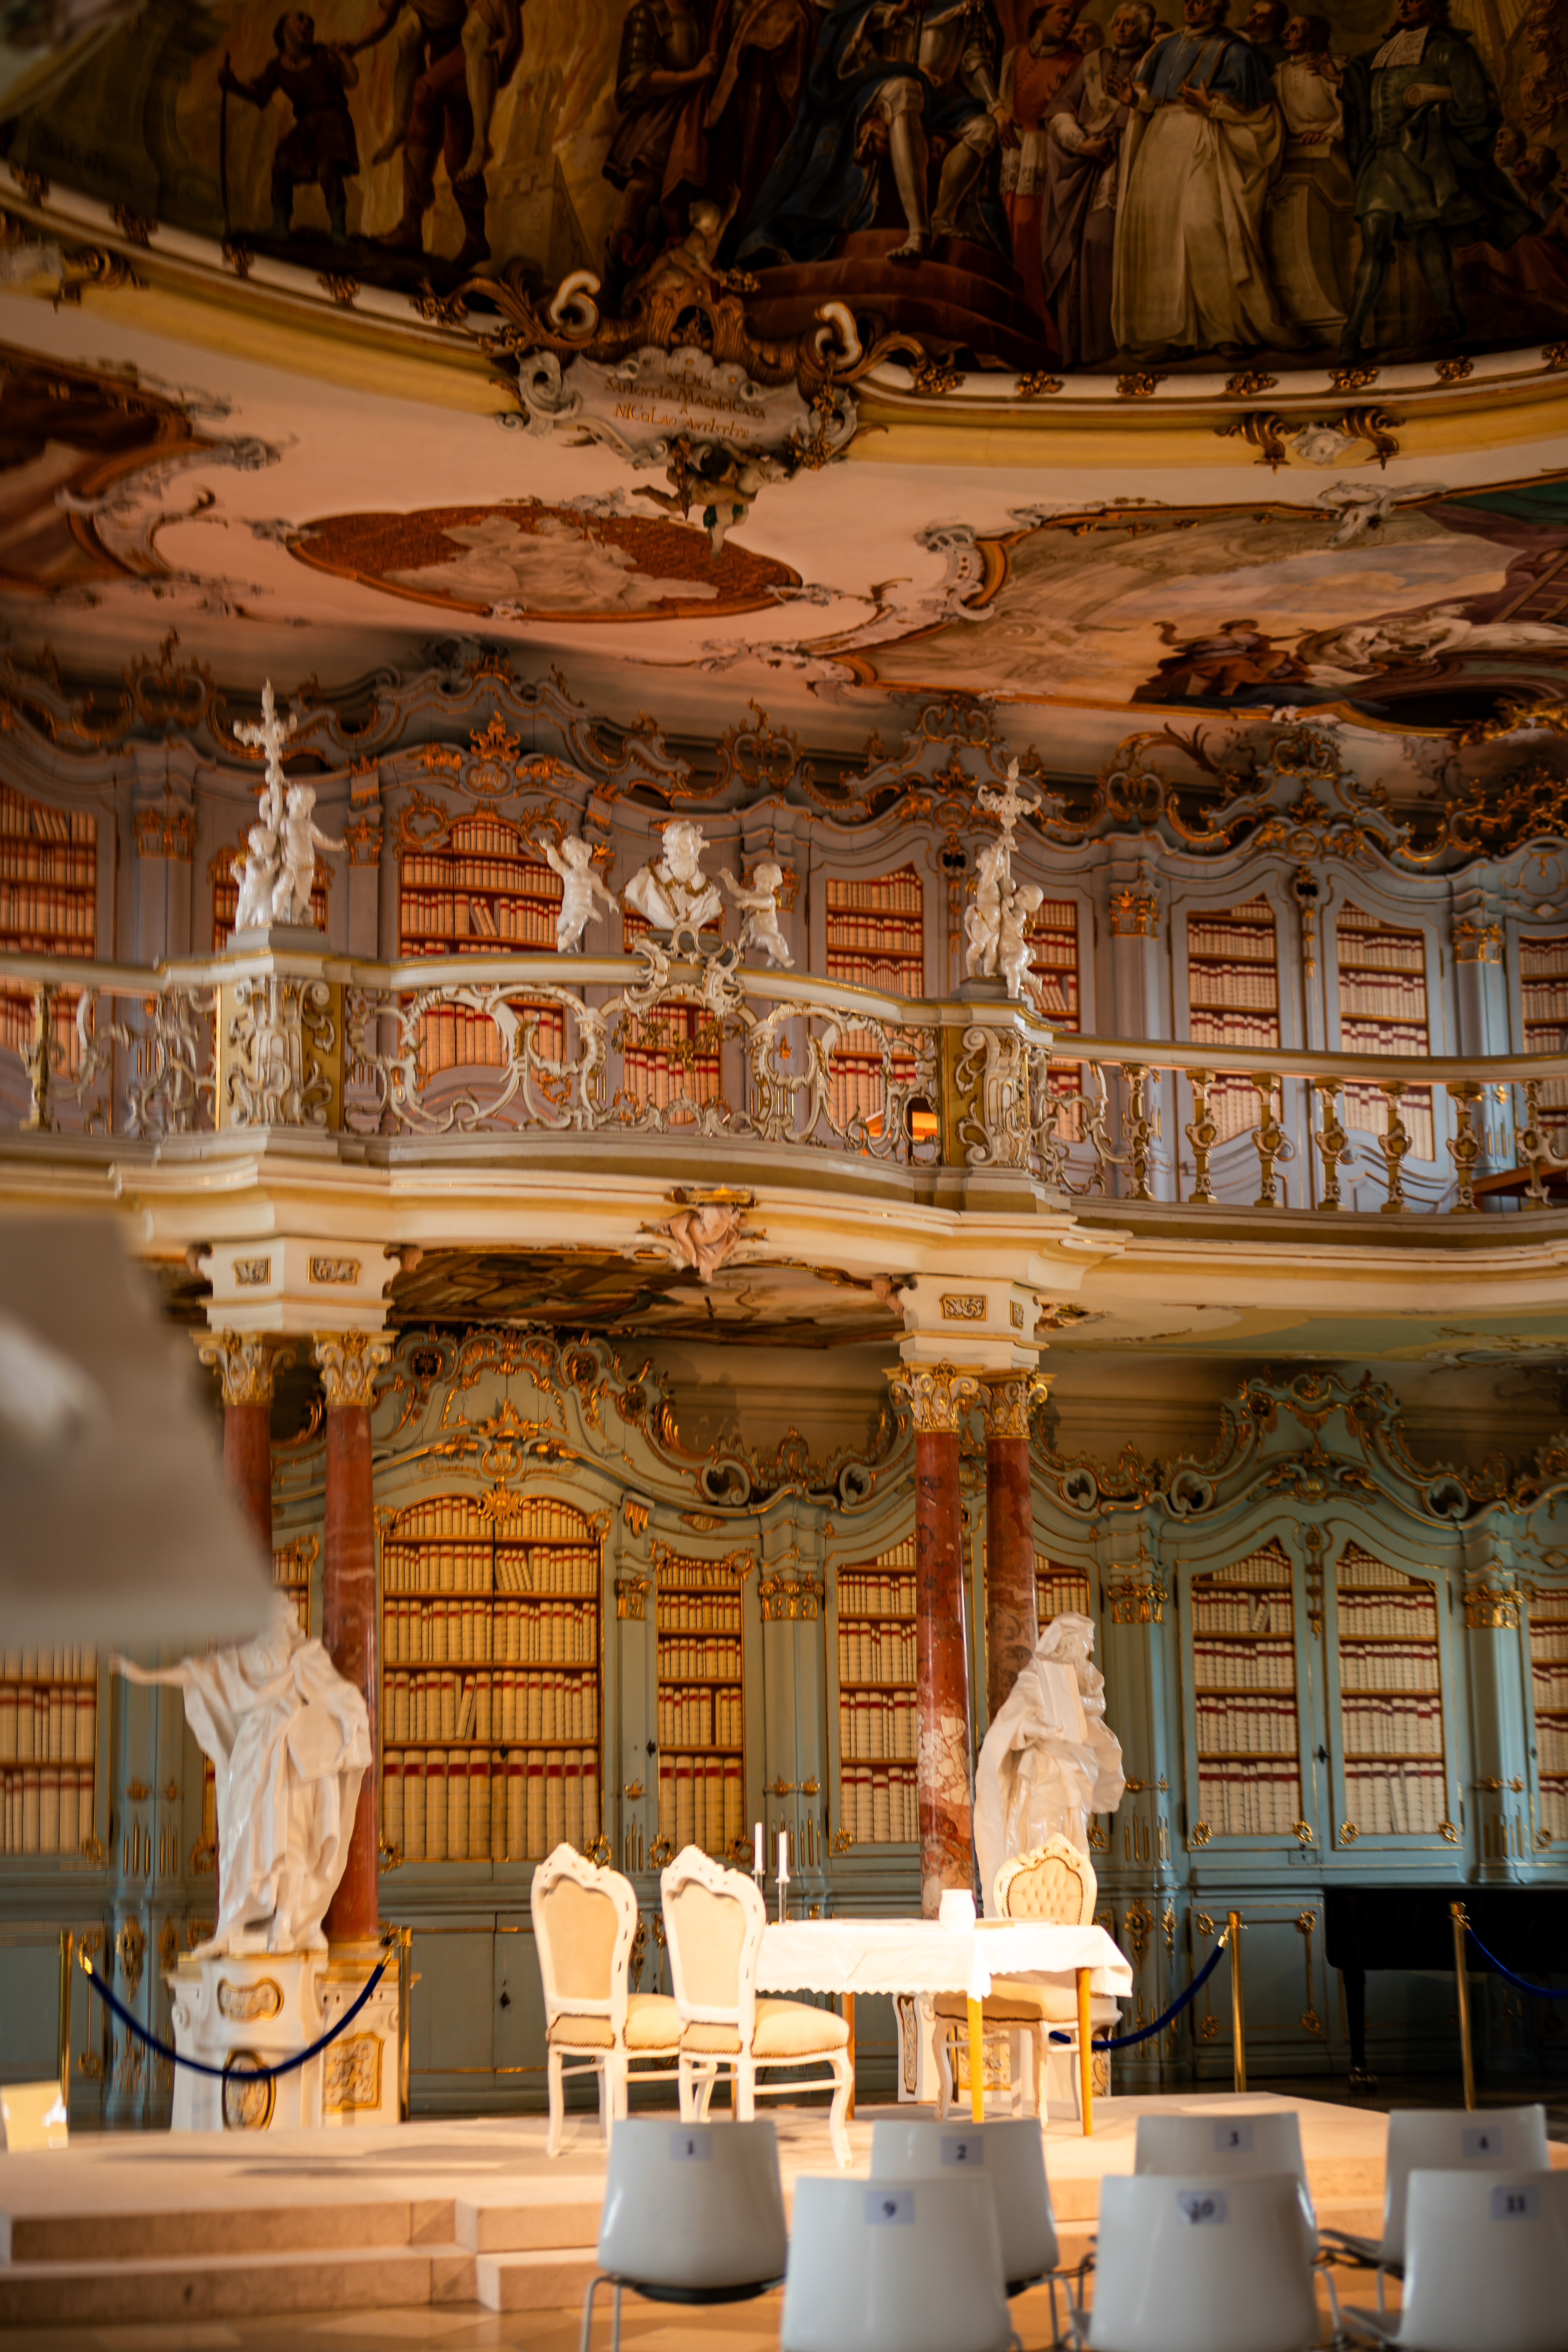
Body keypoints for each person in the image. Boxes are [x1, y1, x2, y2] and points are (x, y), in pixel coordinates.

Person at [113, 1601, 371, 1957]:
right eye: (269, 1624)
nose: (275, 1630)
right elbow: (199, 1673)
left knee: (292, 1842)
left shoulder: (306, 1658)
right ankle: (230, 1927)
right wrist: (145, 1676)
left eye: (282, 1622)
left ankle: (284, 1923)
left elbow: (344, 1700)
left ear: (290, 1625)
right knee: (242, 1842)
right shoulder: (247, 1660)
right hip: (252, 1759)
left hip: (295, 1765)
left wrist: (349, 1735)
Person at [737, 0, 1011, 269]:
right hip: (883, 80)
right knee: (906, 90)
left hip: (940, 99)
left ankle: (943, 217)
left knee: (985, 128)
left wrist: (996, 107)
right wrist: (896, 14)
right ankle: (919, 232)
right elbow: (849, 25)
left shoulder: (971, 4)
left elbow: (974, 60)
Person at [1337, 0, 1532, 361]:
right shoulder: (1381, 53)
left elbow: (1476, 108)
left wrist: (1435, 102)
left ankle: (1448, 315)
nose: (1406, 4)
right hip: (1380, 159)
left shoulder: (1449, 48)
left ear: (1434, 6)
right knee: (1374, 236)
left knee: (1424, 233)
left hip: (1420, 155)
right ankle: (1352, 332)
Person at [1111, 0, 1300, 359]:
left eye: (1202, 1)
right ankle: (1164, 333)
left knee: (1205, 227)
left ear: (1218, 7)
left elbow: (1261, 114)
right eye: (1189, 0)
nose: (1192, 6)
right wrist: (1131, 98)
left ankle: (1226, 331)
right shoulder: (1163, 47)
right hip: (1161, 147)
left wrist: (1211, 107)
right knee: (1161, 236)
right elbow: (1148, 99)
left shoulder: (1236, 51)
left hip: (1205, 140)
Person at [350, 0, 522, 271]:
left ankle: (480, 145)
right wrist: (353, 45)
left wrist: (510, 36)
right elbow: (385, 15)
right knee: (456, 152)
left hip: (483, 45)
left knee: (425, 93)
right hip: (445, 49)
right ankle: (458, 238)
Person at [972, 1613, 1125, 1908]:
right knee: (1041, 1835)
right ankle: (1032, 1904)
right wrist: (1042, 1728)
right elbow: (1010, 1726)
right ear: (1067, 1642)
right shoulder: (1036, 1677)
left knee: (1074, 1838)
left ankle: (1071, 1904)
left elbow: (1098, 1703)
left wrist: (1073, 1702)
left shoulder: (1085, 1676)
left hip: (1077, 1765)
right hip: (1043, 1768)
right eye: (1085, 1642)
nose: (1088, 1649)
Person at [1041, 0, 1154, 366]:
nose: (1121, 29)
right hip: (1090, 164)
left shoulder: (1153, 61)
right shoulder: (1091, 65)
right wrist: (1081, 143)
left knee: (1111, 241)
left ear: (1144, 30)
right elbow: (1059, 110)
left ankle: (1123, 344)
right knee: (1084, 245)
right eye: (1118, 22)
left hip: (1133, 162)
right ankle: (1087, 349)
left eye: (1130, 24)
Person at [218, 11, 361, 243]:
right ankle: (280, 226)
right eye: (300, 20)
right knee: (281, 166)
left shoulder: (323, 53)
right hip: (306, 124)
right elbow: (260, 96)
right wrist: (233, 85)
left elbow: (352, 80)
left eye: (310, 23)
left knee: (327, 169)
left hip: (333, 120)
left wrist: (342, 56)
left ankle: (338, 231)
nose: (307, 25)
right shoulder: (277, 67)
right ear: (282, 32)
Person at [997, 0, 1084, 327]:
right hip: (1008, 158)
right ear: (1040, 16)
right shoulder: (1013, 58)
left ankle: (1033, 322)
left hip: (1043, 158)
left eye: (1073, 16)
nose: (1069, 21)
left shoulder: (1076, 64)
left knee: (1029, 234)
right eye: (1062, 13)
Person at [1273, 11, 1341, 143]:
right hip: (1295, 145)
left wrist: (1331, 134)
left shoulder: (1333, 67)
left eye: (1294, 31)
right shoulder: (1280, 73)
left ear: (1310, 40)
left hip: (1333, 144)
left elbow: (1350, 111)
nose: (1285, 33)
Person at [1241, 0, 1287, 68]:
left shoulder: (1280, 53)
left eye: (1260, 18)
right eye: (1251, 14)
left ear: (1275, 24)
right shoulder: (1240, 34)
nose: (1251, 21)